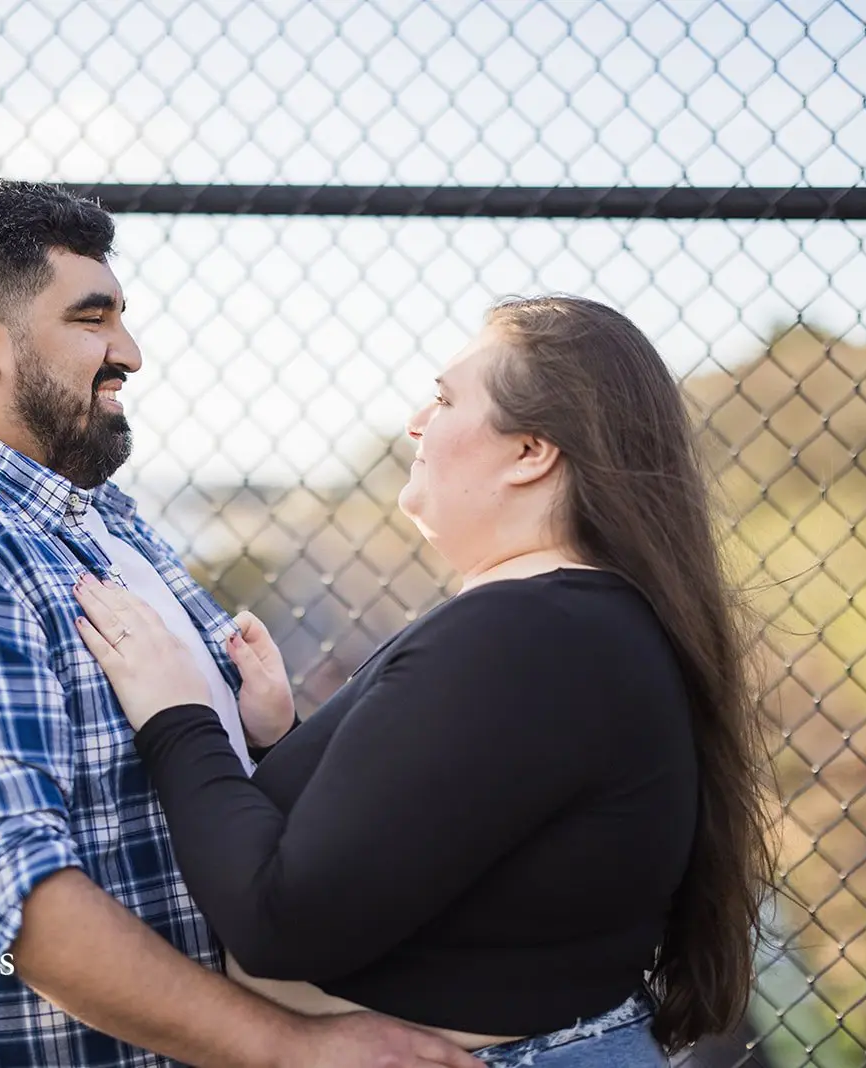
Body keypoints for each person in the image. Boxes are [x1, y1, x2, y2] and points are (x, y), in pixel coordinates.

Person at [0, 179, 480, 1068]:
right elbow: (11, 895)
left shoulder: (102, 521)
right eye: (92, 319)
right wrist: (295, 1050)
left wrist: (272, 737)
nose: (132, 353)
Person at [71, 295, 778, 1066]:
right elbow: (432, 845)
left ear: (530, 451)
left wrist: (178, 718)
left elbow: (281, 920)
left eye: (444, 400)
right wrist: (278, 739)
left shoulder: (528, 634)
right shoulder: (571, 626)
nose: (415, 421)